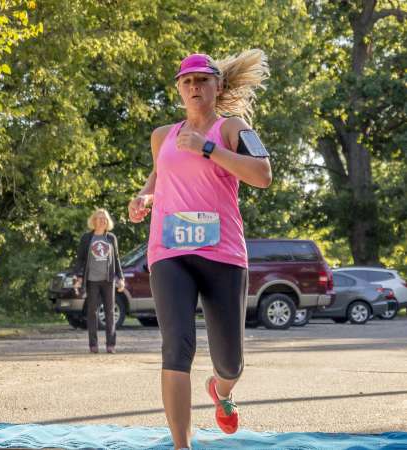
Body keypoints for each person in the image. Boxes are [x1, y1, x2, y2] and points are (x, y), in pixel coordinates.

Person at [128, 50, 272, 450]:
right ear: (179, 89)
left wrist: (207, 150)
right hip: (169, 249)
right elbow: (158, 179)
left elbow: (263, 174)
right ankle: (182, 445)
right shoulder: (163, 136)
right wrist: (143, 199)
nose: (194, 87)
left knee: (230, 362)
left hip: (222, 253)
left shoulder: (232, 129)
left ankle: (222, 391)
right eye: (187, 81)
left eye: (202, 80)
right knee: (177, 344)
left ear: (217, 86)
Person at [73, 208, 125, 354]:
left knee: (110, 312)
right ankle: (93, 345)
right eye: (99, 218)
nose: (102, 220)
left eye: (104, 218)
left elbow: (117, 259)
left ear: (107, 221)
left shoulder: (111, 238)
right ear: (94, 220)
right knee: (92, 312)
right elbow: (80, 260)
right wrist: (77, 275)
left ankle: (110, 345)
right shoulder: (86, 238)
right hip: (92, 280)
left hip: (108, 280)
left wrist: (121, 278)